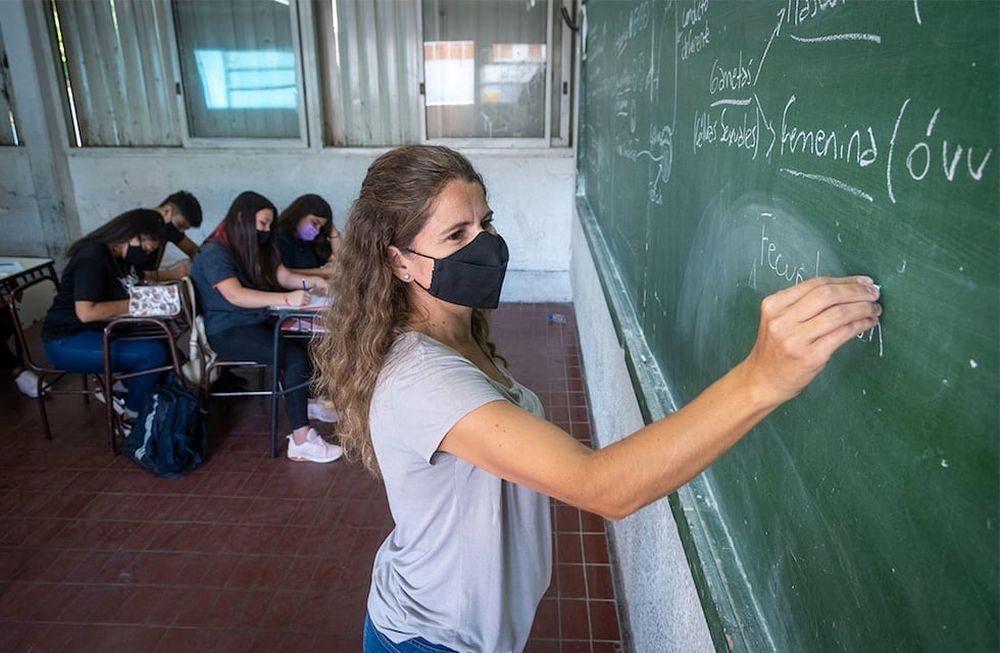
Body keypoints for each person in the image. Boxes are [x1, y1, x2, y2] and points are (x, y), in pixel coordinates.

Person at [311, 145, 883, 652]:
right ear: (398, 260)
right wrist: (762, 379)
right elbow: (601, 486)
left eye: (485, 223)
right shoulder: (421, 376)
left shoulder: (459, 332)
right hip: (428, 639)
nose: (484, 245)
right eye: (456, 235)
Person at [190, 191, 342, 463]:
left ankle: (303, 403)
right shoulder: (215, 252)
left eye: (269, 224)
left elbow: (281, 275)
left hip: (254, 320)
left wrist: (312, 284)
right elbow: (235, 295)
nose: (266, 230)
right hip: (227, 331)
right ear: (241, 218)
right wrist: (286, 299)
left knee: (306, 341)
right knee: (292, 355)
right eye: (262, 223)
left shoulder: (250, 246)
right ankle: (301, 439)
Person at [41, 209, 170, 421]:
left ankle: (123, 388)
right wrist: (136, 304)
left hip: (97, 332)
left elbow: (137, 285)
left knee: (161, 340)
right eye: (145, 248)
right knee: (153, 354)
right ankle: (132, 416)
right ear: (129, 235)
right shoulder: (93, 256)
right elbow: (86, 313)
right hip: (66, 341)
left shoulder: (122, 257)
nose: (145, 254)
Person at [274, 193, 340, 279]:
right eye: (315, 223)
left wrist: (332, 230)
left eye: (321, 226)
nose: (317, 230)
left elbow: (343, 259)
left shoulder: (315, 239)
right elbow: (282, 272)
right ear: (299, 215)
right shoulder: (278, 238)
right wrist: (323, 272)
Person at [143, 190, 204, 283]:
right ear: (167, 211)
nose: (180, 231)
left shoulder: (169, 227)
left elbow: (192, 249)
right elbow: (131, 275)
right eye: (180, 225)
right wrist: (172, 274)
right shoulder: (138, 227)